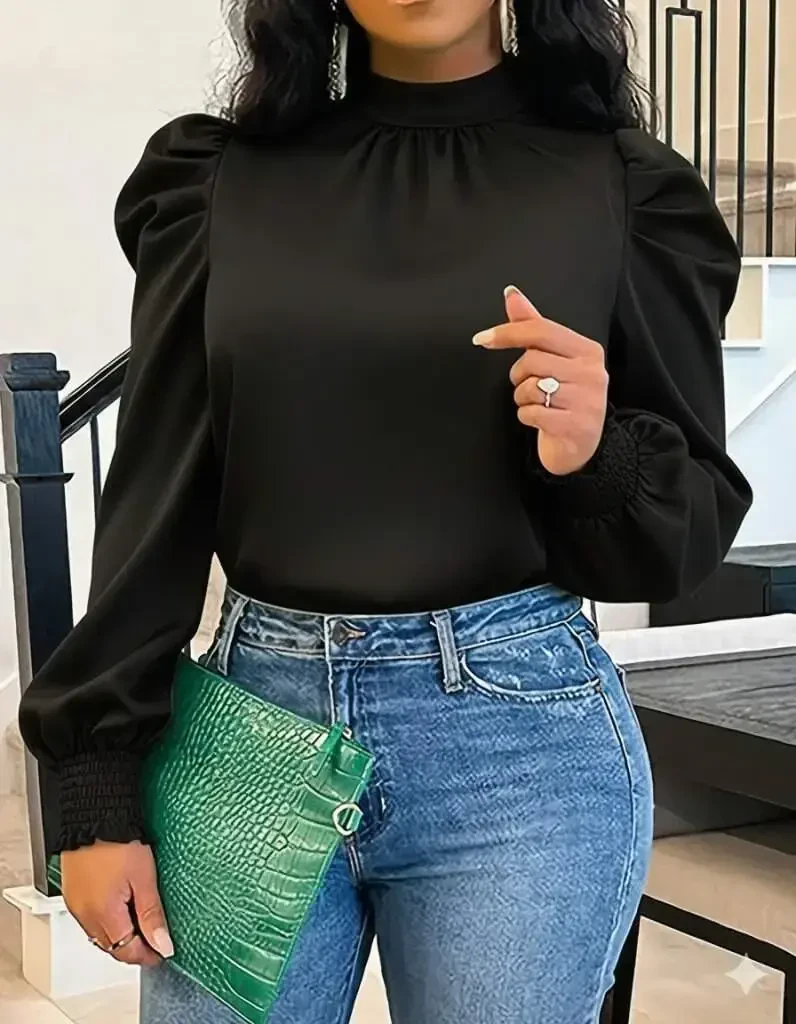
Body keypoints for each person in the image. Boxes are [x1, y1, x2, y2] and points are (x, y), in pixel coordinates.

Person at [19, 1, 752, 1021]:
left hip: (520, 754)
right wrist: (98, 782)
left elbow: (681, 536)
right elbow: (155, 496)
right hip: (255, 725)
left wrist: (596, 452)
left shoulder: (623, 188)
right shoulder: (217, 183)